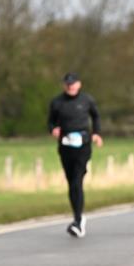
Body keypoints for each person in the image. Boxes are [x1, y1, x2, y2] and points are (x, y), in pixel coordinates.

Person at [48, 73, 103, 238]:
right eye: (68, 84)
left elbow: (96, 116)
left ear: (79, 84)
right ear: (64, 85)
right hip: (65, 146)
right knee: (72, 182)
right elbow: (51, 121)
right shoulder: (57, 102)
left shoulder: (87, 100)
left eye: (73, 83)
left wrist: (96, 133)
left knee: (77, 181)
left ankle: (78, 222)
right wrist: (53, 129)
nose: (70, 86)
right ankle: (78, 216)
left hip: (83, 145)